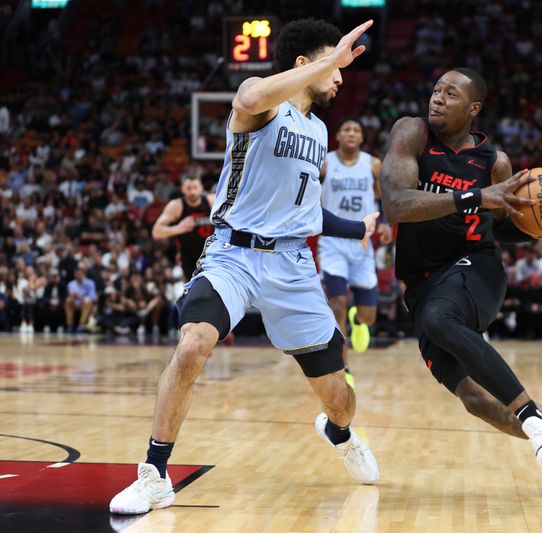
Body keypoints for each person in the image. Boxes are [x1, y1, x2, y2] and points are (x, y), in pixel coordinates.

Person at [110, 18, 380, 515]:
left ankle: (339, 434)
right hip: (233, 254)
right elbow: (251, 98)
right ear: (304, 64)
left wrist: (355, 229)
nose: (341, 77)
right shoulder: (262, 103)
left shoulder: (319, 131)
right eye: (332, 65)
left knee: (338, 395)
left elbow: (305, 209)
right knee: (193, 345)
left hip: (294, 265)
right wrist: (330, 58)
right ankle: (154, 474)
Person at [380, 68, 542, 500]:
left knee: (441, 318)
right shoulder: (412, 134)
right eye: (435, 89)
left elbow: (497, 227)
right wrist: (474, 198)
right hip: (420, 283)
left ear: (473, 108)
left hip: (476, 267)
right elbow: (397, 205)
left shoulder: (495, 164)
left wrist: (537, 229)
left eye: (450, 93)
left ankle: (532, 417)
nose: (437, 98)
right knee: (477, 401)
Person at [318, 117, 392, 386]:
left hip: (363, 244)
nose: (351, 133)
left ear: (362, 138)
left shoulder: (372, 164)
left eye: (356, 130)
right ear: (337, 135)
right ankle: (344, 367)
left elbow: (383, 198)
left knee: (368, 315)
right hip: (332, 241)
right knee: (337, 304)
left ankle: (358, 321)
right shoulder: (325, 162)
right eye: (346, 128)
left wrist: (384, 223)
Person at [152, 174, 216, 281]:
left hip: (212, 256)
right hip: (189, 260)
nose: (192, 192)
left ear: (201, 187)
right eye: (188, 188)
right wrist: (178, 228)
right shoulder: (176, 206)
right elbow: (156, 231)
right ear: (182, 189)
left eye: (195, 187)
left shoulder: (211, 201)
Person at [65, 267, 97, 333]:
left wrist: (80, 297)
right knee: (68, 300)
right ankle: (69, 325)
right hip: (75, 304)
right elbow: (70, 295)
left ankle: (81, 324)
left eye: (79, 274)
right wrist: (73, 297)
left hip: (85, 304)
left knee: (87, 302)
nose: (78, 275)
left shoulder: (90, 283)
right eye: (76, 274)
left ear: (83, 274)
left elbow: (92, 297)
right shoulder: (71, 284)